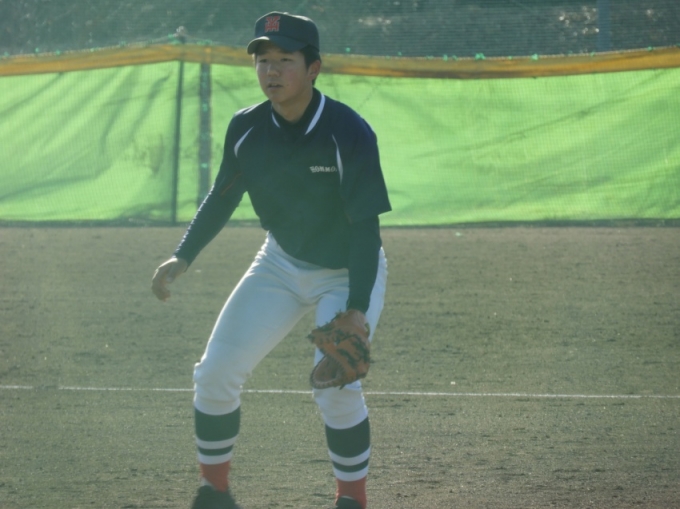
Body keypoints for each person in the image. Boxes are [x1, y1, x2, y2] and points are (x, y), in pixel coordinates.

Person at [151, 11, 391, 509]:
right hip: (280, 262)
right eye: (263, 60)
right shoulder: (247, 128)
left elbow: (365, 229)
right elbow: (222, 196)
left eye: (285, 59)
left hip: (346, 271)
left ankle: (352, 500)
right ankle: (214, 493)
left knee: (336, 387)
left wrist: (356, 308)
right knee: (214, 374)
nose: (271, 70)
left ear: (314, 68)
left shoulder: (348, 131)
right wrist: (183, 255)